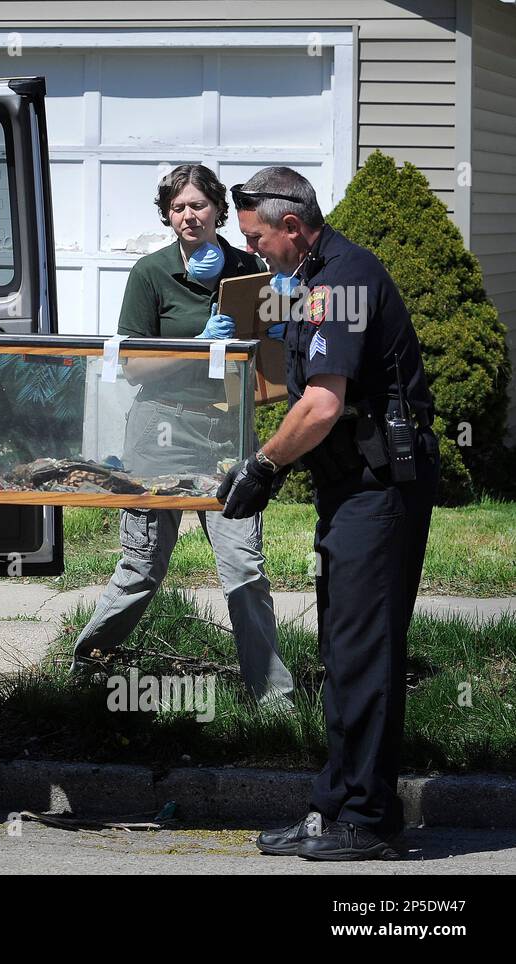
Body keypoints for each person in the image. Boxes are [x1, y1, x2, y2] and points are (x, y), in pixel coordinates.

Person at [223, 167, 439, 860]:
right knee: (342, 655)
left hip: (380, 492)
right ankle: (332, 809)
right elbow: (294, 385)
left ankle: (370, 822)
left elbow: (320, 406)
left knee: (365, 656)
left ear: (291, 227)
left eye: (257, 238)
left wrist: (263, 468)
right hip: (350, 489)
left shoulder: (343, 281)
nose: (253, 250)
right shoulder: (314, 278)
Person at [70, 164, 295, 709]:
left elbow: (272, 359)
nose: (188, 216)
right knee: (142, 566)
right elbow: (134, 369)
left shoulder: (248, 268)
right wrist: (198, 344)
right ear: (167, 216)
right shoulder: (151, 273)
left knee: (244, 566)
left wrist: (287, 317)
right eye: (177, 208)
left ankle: (272, 696)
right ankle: (84, 666)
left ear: (218, 209)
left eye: (197, 205)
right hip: (159, 432)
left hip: (226, 433)